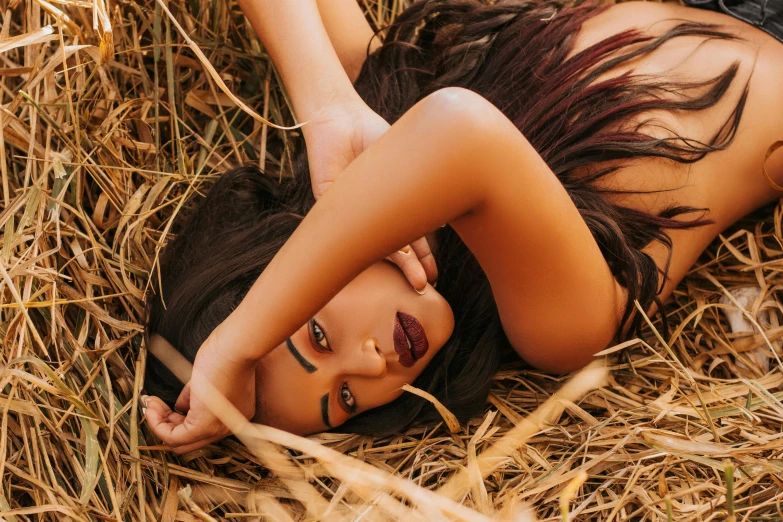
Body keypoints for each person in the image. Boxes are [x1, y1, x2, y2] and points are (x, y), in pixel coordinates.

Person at [142, 0, 783, 454]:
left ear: (287, 249)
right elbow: (461, 132)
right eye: (342, 402)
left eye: (314, 333)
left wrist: (326, 104)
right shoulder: (557, 327)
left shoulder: (379, 110)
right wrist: (245, 341)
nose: (370, 367)